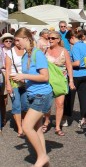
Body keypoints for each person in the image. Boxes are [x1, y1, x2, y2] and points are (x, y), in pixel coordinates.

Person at [12, 27, 53, 167]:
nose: (16, 43)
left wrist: (23, 76)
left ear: (26, 38)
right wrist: (21, 79)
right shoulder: (25, 56)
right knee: (37, 129)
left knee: (26, 126)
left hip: (42, 95)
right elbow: (32, 76)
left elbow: (44, 76)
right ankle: (43, 160)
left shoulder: (37, 54)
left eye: (17, 40)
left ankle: (42, 157)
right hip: (32, 94)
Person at [43, 31, 75, 136]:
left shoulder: (64, 51)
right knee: (47, 104)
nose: (50, 40)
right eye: (49, 38)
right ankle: (46, 120)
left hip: (61, 80)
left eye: (52, 38)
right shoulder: (45, 50)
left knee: (60, 104)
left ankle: (57, 126)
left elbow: (69, 66)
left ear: (58, 40)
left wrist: (71, 81)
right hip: (47, 80)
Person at [64, 30, 86, 128]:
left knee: (69, 98)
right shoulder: (85, 44)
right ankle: (84, 120)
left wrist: (66, 64)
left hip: (76, 74)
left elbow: (77, 63)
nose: (68, 42)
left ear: (72, 38)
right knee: (84, 98)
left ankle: (66, 119)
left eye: (68, 40)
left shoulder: (75, 47)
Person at [5, 34, 27, 137]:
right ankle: (20, 128)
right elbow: (8, 70)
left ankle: (24, 123)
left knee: (25, 104)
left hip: (26, 81)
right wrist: (8, 85)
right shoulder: (10, 53)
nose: (18, 42)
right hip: (14, 81)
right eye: (16, 40)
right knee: (16, 104)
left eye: (20, 40)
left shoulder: (27, 51)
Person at [0, 33, 14, 127]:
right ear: (3, 42)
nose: (8, 42)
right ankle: (4, 117)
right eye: (6, 41)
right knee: (3, 98)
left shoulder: (14, 50)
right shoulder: (1, 51)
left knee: (14, 97)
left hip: (14, 74)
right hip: (4, 74)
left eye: (10, 41)